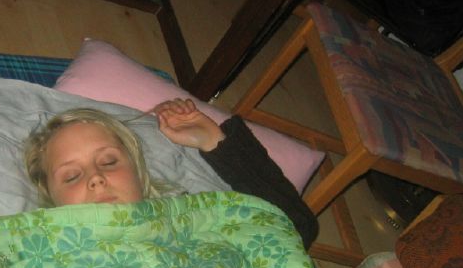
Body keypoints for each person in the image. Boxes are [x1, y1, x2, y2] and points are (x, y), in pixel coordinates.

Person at [24, 98, 319, 249]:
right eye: (72, 176)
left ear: (138, 174)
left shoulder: (193, 226)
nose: (96, 178)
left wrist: (214, 142)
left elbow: (293, 230)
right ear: (51, 199)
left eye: (109, 161)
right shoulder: (36, 252)